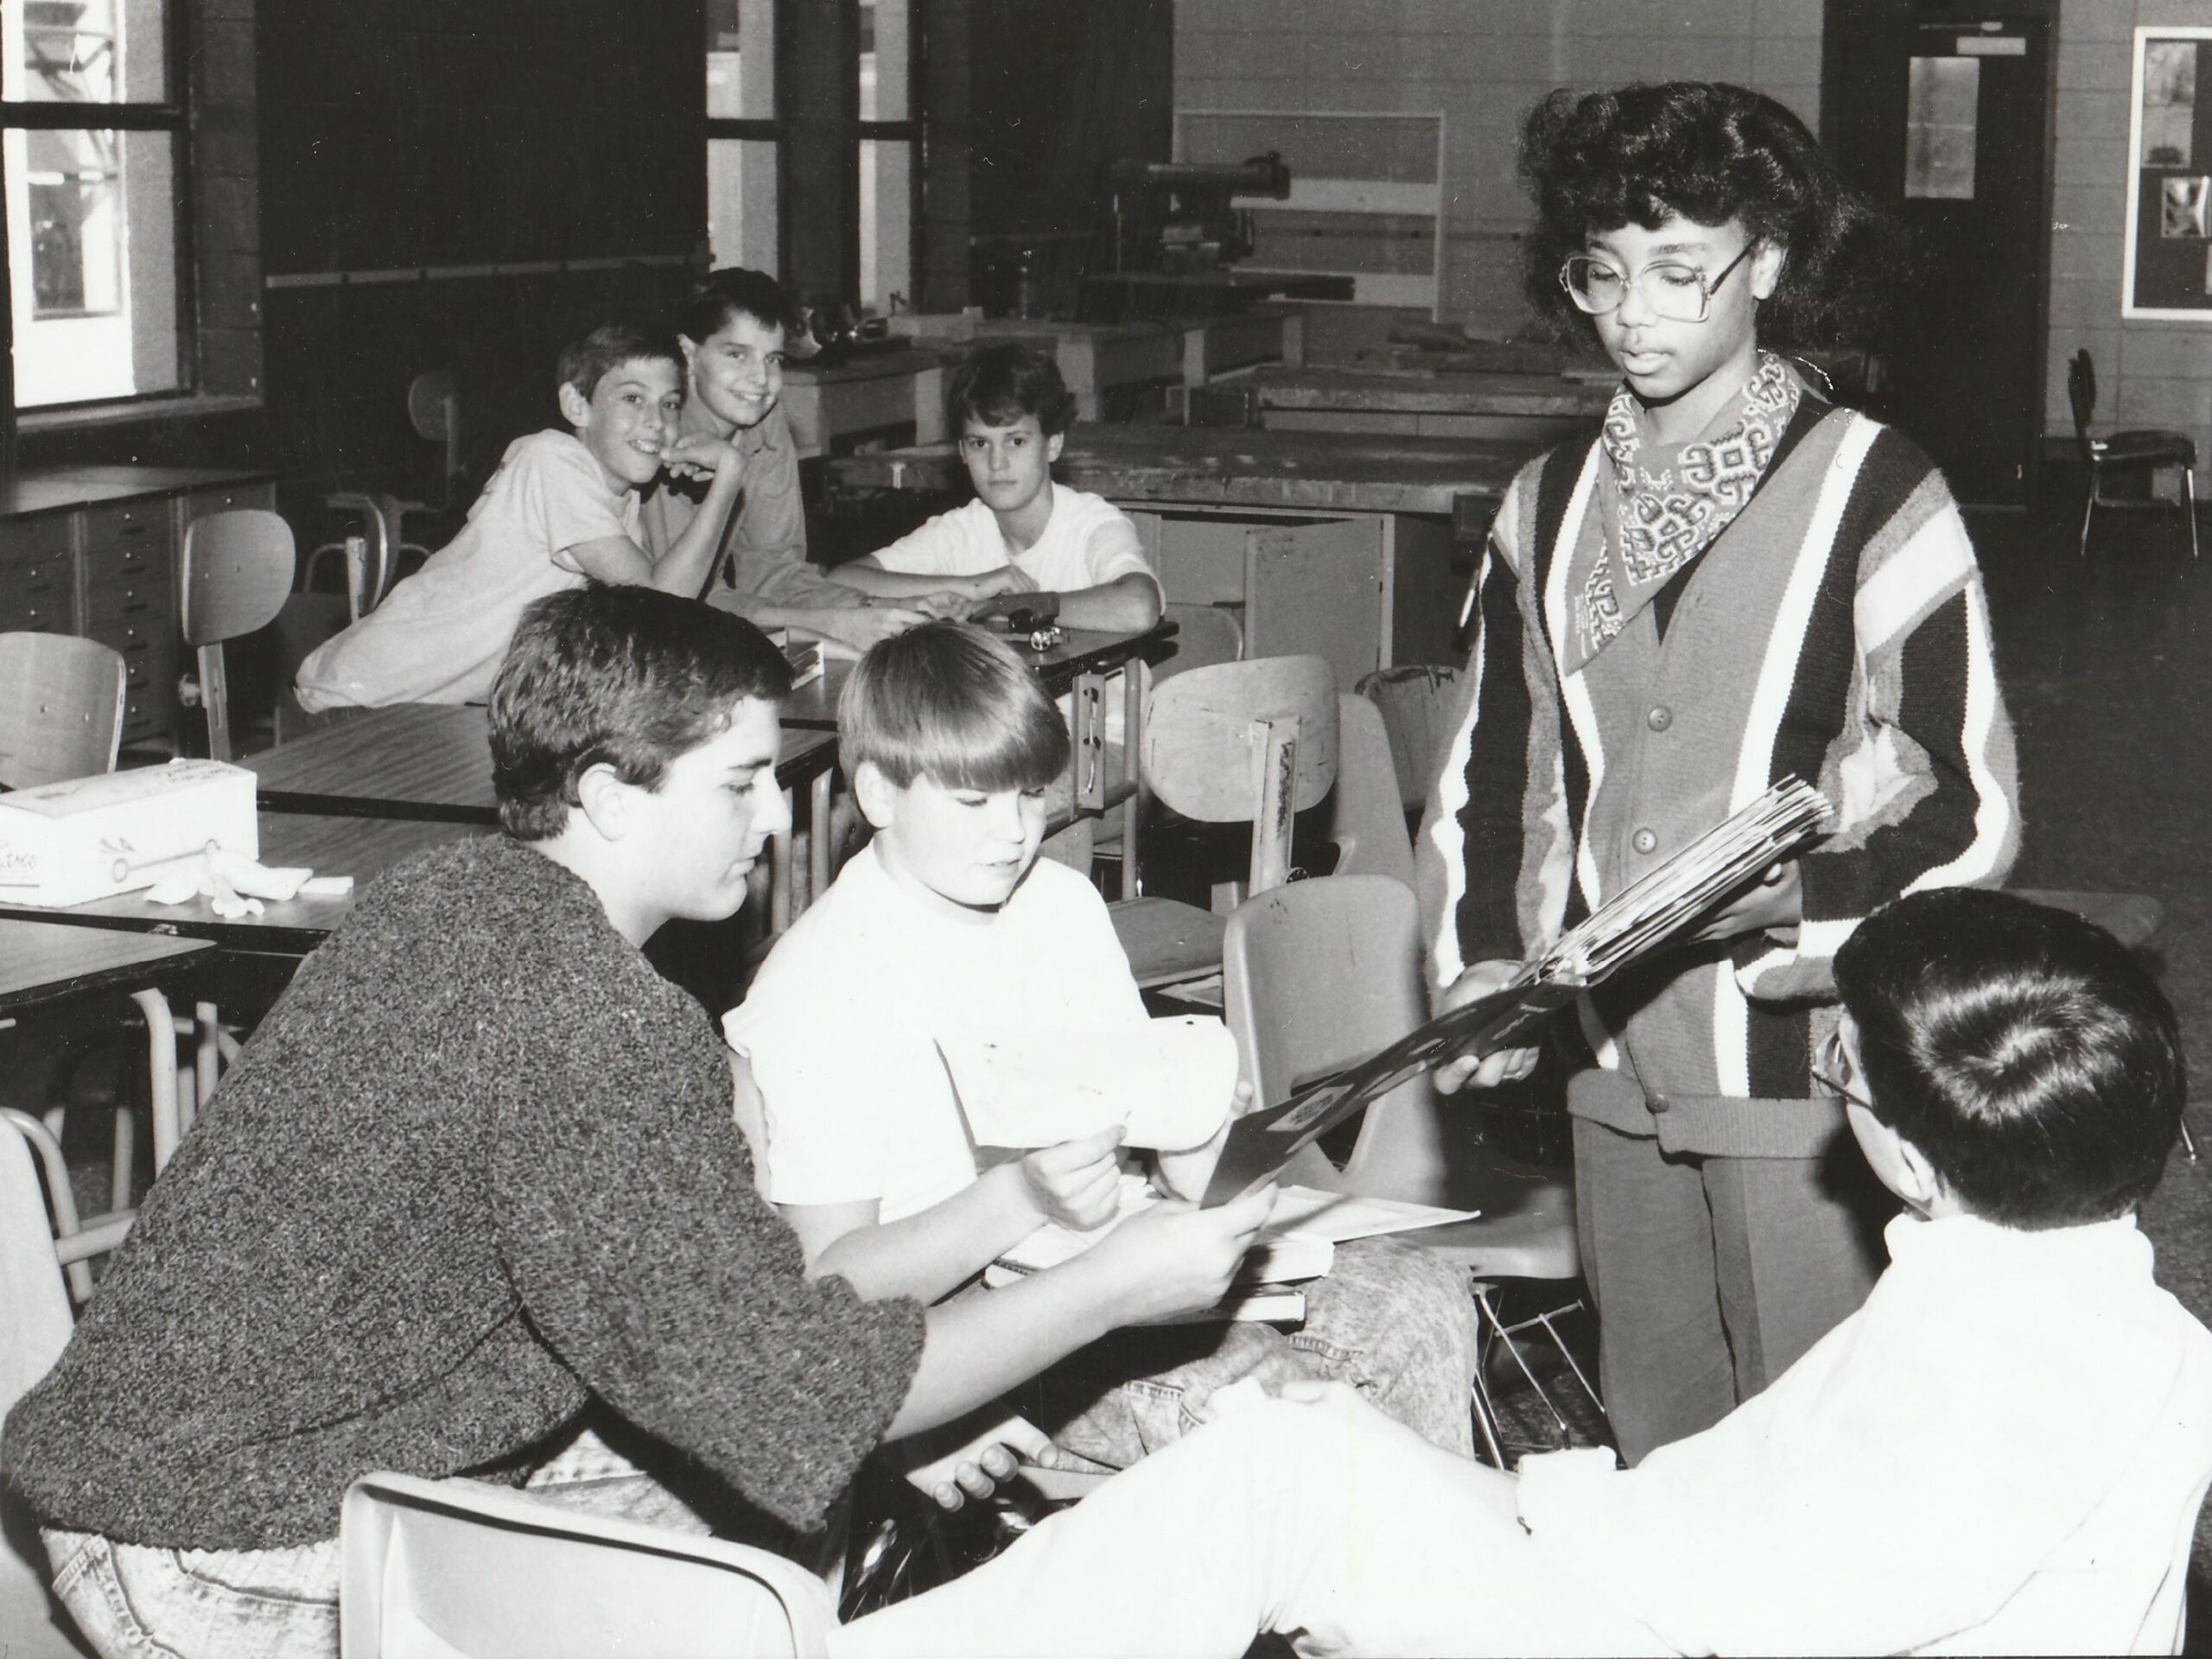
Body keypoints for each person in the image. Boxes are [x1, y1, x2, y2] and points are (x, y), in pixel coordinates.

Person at [1, 588, 1276, 1659]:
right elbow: (790, 1397)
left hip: (169, 1471)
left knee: (784, 1499)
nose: (777, 821)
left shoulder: (445, 900)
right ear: (613, 793)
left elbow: (721, 1328)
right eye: (740, 785)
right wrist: (1110, 1285)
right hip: (211, 1550)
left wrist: (1011, 1211)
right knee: (769, 1530)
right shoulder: (593, 1018)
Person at [834, 887, 2212, 1658]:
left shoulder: (1981, 1371)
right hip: (1713, 1611)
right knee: (1303, 1460)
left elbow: (1725, 1591)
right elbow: (1731, 1532)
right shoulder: (2100, 1316)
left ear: (1913, 1161)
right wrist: (1425, 1474)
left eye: (1839, 1062)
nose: (1831, 1080)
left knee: (1271, 1483)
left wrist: (1439, 1504)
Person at [1414, 81, 2020, 1461]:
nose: (1636, 314)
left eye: (1683, 273)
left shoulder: (1879, 489)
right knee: (1661, 1443)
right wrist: (1477, 961)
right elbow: (1488, 768)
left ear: (1776, 264)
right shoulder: (1544, 503)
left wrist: (1798, 905)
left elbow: (1966, 805)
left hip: (1800, 1072)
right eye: (1604, 274)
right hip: (1610, 1063)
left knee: (1810, 1449)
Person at [726, 620, 1476, 1475]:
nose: (1012, 833)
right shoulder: (823, 983)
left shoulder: (1059, 902)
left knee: (1421, 1305)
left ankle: (1401, 1581)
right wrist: (1026, 1198)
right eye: (973, 802)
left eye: (1027, 795)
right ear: (878, 797)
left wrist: (1202, 1132)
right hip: (973, 1326)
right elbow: (830, 1291)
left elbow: (1163, 1164)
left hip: (1109, 1251)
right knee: (1266, 1406)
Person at [295, 324, 741, 710]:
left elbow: (647, 626)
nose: (655, 421)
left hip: (433, 711)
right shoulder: (550, 458)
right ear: (576, 406)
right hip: (361, 697)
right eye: (632, 398)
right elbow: (660, 603)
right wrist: (728, 477)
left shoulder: (621, 502)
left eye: (669, 404)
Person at [643, 266, 963, 653]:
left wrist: (882, 607)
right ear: (689, 354)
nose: (760, 379)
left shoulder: (764, 418)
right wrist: (833, 623)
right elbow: (692, 606)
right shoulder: (662, 435)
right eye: (736, 355)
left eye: (773, 359)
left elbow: (772, 570)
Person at [829, 342, 1163, 632]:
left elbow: (1139, 605)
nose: (996, 463)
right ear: (961, 451)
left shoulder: (1092, 523)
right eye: (979, 444)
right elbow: (840, 581)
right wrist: (974, 587)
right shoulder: (962, 530)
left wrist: (1013, 607)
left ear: (1053, 445)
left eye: (1016, 441)